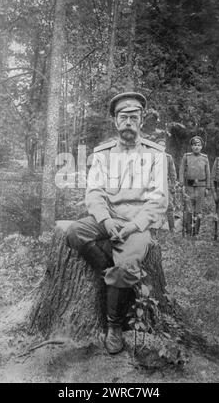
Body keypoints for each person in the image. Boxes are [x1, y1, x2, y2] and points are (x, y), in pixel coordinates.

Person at [66, 92, 168, 355]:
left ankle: (114, 326)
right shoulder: (102, 154)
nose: (128, 123)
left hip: (138, 224)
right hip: (108, 218)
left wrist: (134, 226)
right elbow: (94, 191)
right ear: (115, 121)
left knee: (125, 267)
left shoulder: (156, 155)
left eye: (134, 117)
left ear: (142, 120)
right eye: (123, 117)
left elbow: (158, 198)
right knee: (75, 232)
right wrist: (105, 219)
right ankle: (105, 272)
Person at [179, 136, 210, 236]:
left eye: (198, 145)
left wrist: (207, 187)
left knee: (198, 210)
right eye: (194, 145)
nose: (196, 147)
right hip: (189, 187)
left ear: (201, 147)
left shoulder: (205, 158)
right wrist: (182, 185)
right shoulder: (186, 156)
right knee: (188, 209)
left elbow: (208, 173)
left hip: (201, 187)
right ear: (191, 146)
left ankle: (196, 232)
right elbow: (181, 171)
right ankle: (188, 231)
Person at [157, 138, 177, 232]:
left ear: (165, 147)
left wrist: (172, 186)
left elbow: (173, 173)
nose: (161, 147)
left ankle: (172, 227)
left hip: (166, 185)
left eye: (163, 145)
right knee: (155, 206)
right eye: (159, 145)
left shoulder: (168, 157)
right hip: (155, 186)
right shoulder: (152, 157)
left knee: (169, 206)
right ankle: (156, 227)